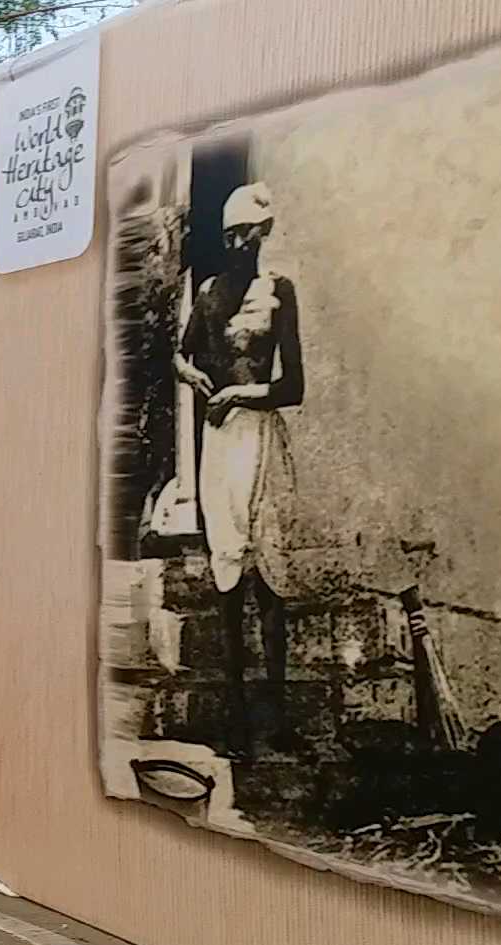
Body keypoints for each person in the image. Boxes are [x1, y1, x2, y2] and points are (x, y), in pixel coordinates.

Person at [174, 182, 304, 758]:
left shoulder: (279, 293)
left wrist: (241, 396)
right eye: (237, 235)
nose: (244, 243)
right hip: (220, 443)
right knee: (226, 567)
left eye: (253, 233)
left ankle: (275, 716)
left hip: (258, 436)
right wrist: (192, 375)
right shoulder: (205, 294)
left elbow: (293, 385)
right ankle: (234, 719)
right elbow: (182, 351)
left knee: (269, 573)